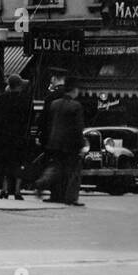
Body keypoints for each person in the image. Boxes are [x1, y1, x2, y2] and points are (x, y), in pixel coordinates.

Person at [35, 76, 85, 206]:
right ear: (74, 90)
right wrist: (80, 145)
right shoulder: (76, 106)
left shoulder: (54, 104)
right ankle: (71, 197)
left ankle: (46, 185)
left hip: (53, 142)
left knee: (56, 167)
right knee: (73, 170)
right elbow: (77, 128)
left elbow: (48, 122)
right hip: (69, 143)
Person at [0, 75, 31, 199]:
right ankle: (18, 191)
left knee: (4, 163)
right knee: (19, 163)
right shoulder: (26, 99)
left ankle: (4, 190)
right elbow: (28, 120)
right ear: (19, 85)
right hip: (20, 136)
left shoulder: (2, 98)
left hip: (3, 137)